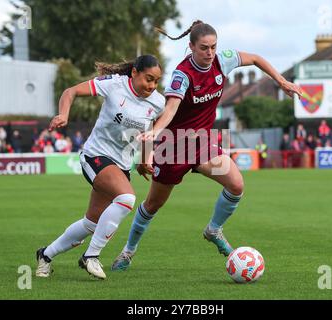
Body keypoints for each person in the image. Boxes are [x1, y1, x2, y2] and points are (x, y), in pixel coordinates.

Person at [111, 20, 303, 271]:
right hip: (173, 147)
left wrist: (281, 81)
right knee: (152, 205)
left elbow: (255, 58)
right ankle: (128, 251)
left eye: (213, 46)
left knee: (236, 185)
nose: (210, 52)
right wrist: (153, 136)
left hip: (202, 143)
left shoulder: (223, 60)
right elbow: (168, 111)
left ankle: (213, 230)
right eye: (204, 48)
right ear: (191, 47)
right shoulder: (182, 75)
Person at [35, 55, 165, 279]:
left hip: (122, 165)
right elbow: (70, 91)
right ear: (134, 72)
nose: (152, 86)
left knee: (91, 223)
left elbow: (148, 134)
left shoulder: (158, 102)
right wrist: (64, 114)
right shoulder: (114, 85)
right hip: (96, 155)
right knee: (127, 199)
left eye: (156, 81)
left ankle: (45, 255)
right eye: (148, 79)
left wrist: (145, 160)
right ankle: (91, 256)